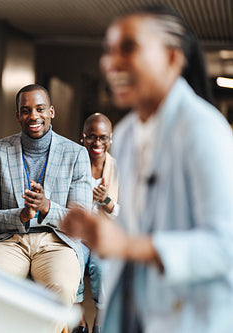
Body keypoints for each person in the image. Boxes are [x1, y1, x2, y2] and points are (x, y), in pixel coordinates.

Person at [60, 6, 233, 333]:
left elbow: (225, 247)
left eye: (128, 47)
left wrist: (128, 246)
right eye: (108, 50)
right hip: (138, 311)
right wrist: (100, 233)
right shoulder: (125, 135)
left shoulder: (204, 130)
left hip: (195, 318)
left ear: (172, 58)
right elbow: (132, 234)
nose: (109, 63)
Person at [0, 84, 92, 332]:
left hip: (57, 242)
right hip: (8, 241)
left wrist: (47, 207)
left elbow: (81, 223)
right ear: (18, 115)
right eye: (26, 110)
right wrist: (20, 215)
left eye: (40, 109)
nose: (33, 116)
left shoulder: (76, 154)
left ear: (51, 112)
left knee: (60, 293)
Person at [73, 113, 119, 333]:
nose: (97, 143)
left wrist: (106, 201)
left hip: (104, 236)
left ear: (111, 139)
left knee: (102, 266)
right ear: (83, 137)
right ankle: (79, 321)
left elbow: (127, 214)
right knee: (73, 262)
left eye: (103, 138)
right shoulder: (73, 161)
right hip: (77, 235)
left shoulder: (118, 169)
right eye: (92, 137)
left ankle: (100, 321)